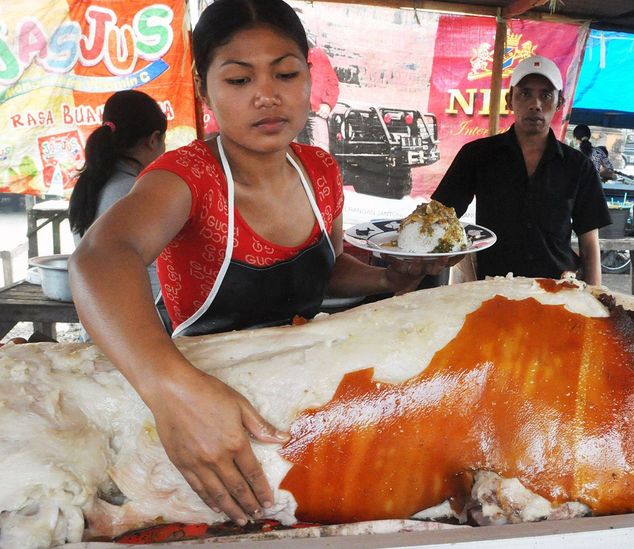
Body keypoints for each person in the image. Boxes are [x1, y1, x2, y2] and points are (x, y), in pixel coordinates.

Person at [69, 0, 449, 527]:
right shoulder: (186, 176)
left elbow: (327, 268)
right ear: (205, 89)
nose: (266, 95)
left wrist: (387, 278)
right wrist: (169, 389)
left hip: (309, 397)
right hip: (205, 407)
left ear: (308, 77)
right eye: (239, 79)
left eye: (286, 73)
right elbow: (99, 257)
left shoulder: (319, 170)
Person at [432, 55, 611, 286]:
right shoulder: (476, 155)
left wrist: (597, 300)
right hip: (492, 289)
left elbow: (589, 242)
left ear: (559, 103)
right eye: (525, 93)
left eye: (546, 95)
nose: (535, 104)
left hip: (557, 291)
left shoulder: (578, 166)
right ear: (510, 99)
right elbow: (439, 217)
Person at [68, 90, 167, 298]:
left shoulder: (88, 184)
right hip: (138, 318)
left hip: (99, 317)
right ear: (154, 139)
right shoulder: (135, 191)